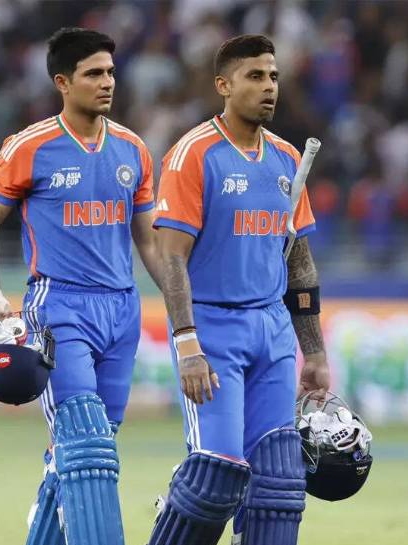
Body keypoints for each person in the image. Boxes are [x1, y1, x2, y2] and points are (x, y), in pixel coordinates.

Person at [0, 27, 163, 545]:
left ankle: (45, 517)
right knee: (86, 444)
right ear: (62, 82)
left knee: (91, 449)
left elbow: (148, 242)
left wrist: (183, 306)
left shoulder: (133, 150)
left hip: (123, 309)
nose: (107, 82)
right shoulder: (29, 147)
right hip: (59, 307)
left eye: (111, 72)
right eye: (93, 73)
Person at [147, 34, 330, 545]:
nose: (269, 86)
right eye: (255, 76)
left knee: (280, 487)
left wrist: (314, 352)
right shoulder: (193, 154)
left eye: (273, 76)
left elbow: (299, 261)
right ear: (223, 86)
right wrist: (187, 344)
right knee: (217, 477)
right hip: (212, 330)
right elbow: (171, 257)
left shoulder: (287, 158)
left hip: (272, 331)